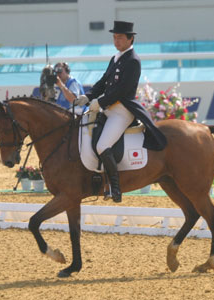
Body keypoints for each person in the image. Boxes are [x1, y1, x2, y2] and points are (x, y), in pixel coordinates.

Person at [75, 21, 167, 203]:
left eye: (120, 37)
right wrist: (88, 96)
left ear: (130, 38)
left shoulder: (133, 61)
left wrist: (99, 102)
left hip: (122, 111)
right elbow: (103, 82)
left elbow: (122, 90)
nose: (116, 41)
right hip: (109, 108)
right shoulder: (116, 58)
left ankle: (115, 188)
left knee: (102, 145)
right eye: (114, 37)